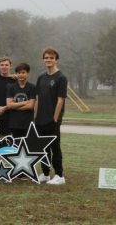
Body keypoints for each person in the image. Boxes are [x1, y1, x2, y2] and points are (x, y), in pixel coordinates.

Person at [35, 48, 67, 185]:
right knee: (43, 148)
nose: (48, 60)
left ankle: (59, 175)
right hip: (40, 119)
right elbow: (37, 98)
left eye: (51, 58)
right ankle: (46, 173)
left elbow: (61, 100)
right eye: (46, 57)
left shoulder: (61, 78)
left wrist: (55, 118)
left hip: (52, 120)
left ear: (56, 60)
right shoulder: (41, 77)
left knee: (55, 148)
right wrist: (36, 116)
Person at [6, 63, 36, 139]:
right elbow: (9, 105)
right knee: (16, 147)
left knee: (26, 147)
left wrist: (14, 105)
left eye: (23, 72)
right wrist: (25, 102)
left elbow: (31, 106)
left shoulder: (32, 87)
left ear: (27, 73)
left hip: (28, 123)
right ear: (16, 74)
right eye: (19, 73)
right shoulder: (11, 87)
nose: (21, 75)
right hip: (14, 123)